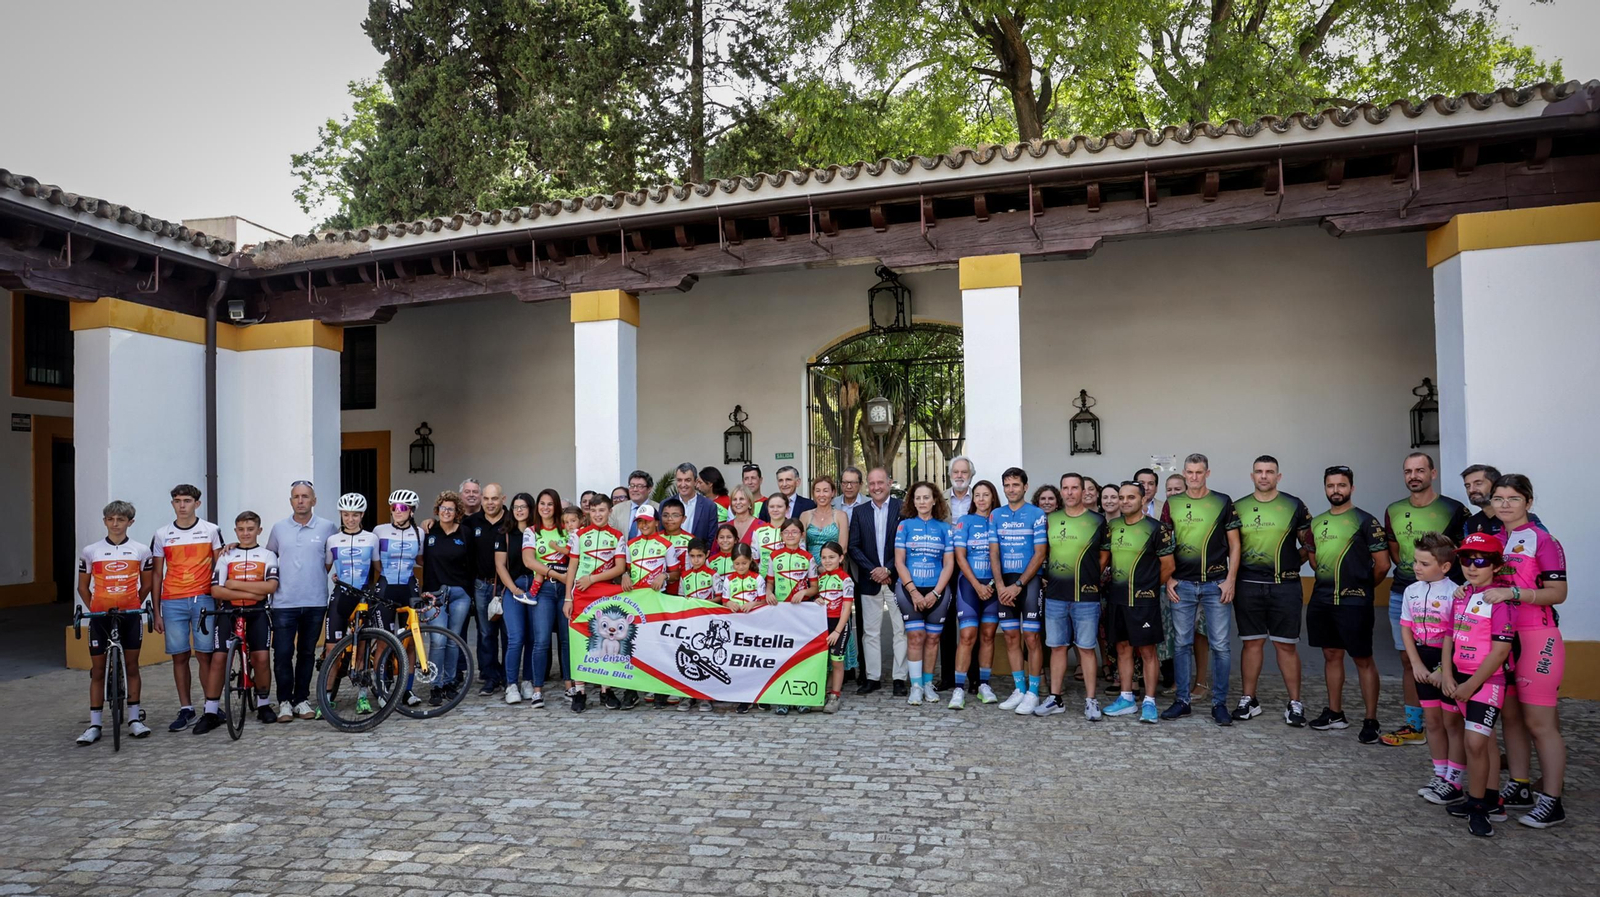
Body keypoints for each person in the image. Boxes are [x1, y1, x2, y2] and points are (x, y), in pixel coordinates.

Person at [1483, 474, 1568, 828]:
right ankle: (1518, 785)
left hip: (1537, 637)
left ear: (1528, 502)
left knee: (1540, 723)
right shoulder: (1495, 539)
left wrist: (1514, 595)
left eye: (1513, 498)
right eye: (1499, 498)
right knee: (1512, 717)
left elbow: (1558, 593)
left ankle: (1553, 800)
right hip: (1502, 637)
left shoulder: (1543, 540)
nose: (1504, 504)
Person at [1381, 452, 1469, 747]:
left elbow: (1462, 552)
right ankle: (1415, 724)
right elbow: (1394, 551)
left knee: (1450, 658)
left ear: (1433, 473)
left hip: (1448, 596)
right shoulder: (1392, 509)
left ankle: (1449, 723)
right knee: (1408, 659)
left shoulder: (1454, 509)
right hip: (1403, 593)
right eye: (1408, 471)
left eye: (1420, 470)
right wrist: (1414, 575)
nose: (1413, 476)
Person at [1305, 466, 1391, 744]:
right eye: (1330, 486)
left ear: (1351, 488)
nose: (1336, 491)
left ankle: (1371, 719)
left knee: (1363, 659)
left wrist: (1362, 589)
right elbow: (1315, 561)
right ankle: (1335, 713)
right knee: (1331, 654)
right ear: (1325, 488)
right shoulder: (1316, 523)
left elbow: (1382, 566)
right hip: (1322, 600)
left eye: (1341, 485)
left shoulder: (1366, 521)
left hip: (1355, 602)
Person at [1439, 532, 1517, 838]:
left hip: (1486, 682)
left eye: (1481, 560)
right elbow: (1448, 636)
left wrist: (1471, 684)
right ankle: (1491, 800)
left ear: (1496, 565)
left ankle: (1478, 806)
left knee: (1475, 743)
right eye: (1466, 559)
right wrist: (1446, 674)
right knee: (1483, 743)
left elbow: (1501, 650)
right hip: (1458, 679)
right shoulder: (1463, 595)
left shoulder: (1500, 599)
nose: (1472, 566)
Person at [1230, 456, 1314, 725]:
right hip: (1248, 585)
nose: (1264, 476)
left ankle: (1295, 703)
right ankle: (1249, 699)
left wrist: (1294, 561)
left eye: (1269, 472)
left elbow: (1310, 541)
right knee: (1251, 644)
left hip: (1285, 586)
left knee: (1285, 646)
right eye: (1259, 471)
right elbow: (1231, 545)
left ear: (1279, 476)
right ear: (1252, 475)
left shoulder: (1294, 505)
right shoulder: (1237, 507)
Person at [1160, 453, 1241, 726]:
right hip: (1181, 584)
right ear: (1184, 473)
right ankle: (1182, 701)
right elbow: (1165, 544)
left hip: (1215, 583)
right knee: (1181, 644)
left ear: (1207, 473)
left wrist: (1230, 579)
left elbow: (1235, 544)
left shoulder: (1222, 501)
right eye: (1190, 472)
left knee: (1220, 645)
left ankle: (1219, 704)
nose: (1194, 477)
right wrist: (1168, 578)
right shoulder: (1173, 503)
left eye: (1199, 472)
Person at [74, 500, 156, 745]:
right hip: (100, 618)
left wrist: (134, 604)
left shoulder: (141, 550)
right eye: (111, 519)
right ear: (105, 521)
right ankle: (95, 724)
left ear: (130, 522)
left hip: (129, 616)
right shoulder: (91, 550)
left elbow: (148, 583)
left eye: (121, 520)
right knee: (98, 671)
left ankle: (133, 719)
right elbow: (82, 586)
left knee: (132, 666)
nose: (115, 523)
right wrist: (95, 609)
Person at [149, 484, 224, 733]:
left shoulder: (211, 530)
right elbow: (157, 574)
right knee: (179, 656)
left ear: (197, 504)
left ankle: (210, 708)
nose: (182, 505)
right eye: (177, 501)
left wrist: (221, 602)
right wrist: (156, 612)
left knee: (205, 655)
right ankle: (186, 709)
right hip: (172, 601)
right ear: (172, 504)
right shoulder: (162, 534)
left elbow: (220, 566)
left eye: (187, 501)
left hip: (203, 599)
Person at [1036, 473, 1109, 720]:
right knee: (1057, 647)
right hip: (1056, 594)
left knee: (1086, 648)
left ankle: (1091, 701)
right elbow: (1042, 552)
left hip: (1086, 596)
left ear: (1083, 491)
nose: (1069, 492)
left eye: (1074, 488)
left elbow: (1104, 556)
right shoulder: (1050, 520)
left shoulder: (1097, 521)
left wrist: (1088, 576)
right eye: (1065, 488)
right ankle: (1055, 699)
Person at [1101, 483, 1175, 725]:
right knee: (1122, 648)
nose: (1124, 501)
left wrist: (1149, 589)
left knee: (1147, 651)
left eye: (1130, 497)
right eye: (1121, 497)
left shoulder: (1157, 529)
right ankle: (1126, 698)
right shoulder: (1112, 527)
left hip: (1144, 602)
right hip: (1118, 599)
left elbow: (1168, 566)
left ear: (1143, 500)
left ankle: (1150, 702)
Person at [265, 481, 338, 722]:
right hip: (284, 602)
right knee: (283, 653)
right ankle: (284, 701)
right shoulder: (278, 528)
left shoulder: (328, 527)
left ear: (314, 500)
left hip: (315, 601)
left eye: (305, 496)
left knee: (307, 653)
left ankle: (301, 699)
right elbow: (269, 556)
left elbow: (327, 563)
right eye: (296, 496)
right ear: (291, 501)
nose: (300, 500)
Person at [1401, 533, 1465, 806]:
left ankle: (1455, 780)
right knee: (1434, 722)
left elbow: (1460, 635)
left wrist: (1443, 669)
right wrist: (1415, 662)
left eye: (1424, 564)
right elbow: (1406, 628)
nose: (1417, 568)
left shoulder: (1456, 593)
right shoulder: (1410, 590)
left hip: (1448, 663)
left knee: (1452, 723)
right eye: (1415, 561)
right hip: (1422, 661)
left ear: (1445, 567)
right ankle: (1440, 774)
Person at [211, 511, 281, 726]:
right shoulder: (226, 555)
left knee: (260, 659)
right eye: (241, 529)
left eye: (250, 529)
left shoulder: (268, 555)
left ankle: (263, 704)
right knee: (219, 659)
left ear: (259, 530)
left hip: (257, 612)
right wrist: (253, 593)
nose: (246, 533)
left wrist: (234, 584)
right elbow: (216, 591)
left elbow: (270, 587)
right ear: (235, 531)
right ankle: (210, 711)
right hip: (230, 612)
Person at [989, 467, 1047, 714]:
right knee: (1012, 636)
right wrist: (1001, 585)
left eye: (1015, 485)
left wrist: (1018, 585)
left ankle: (1034, 692)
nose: (1011, 489)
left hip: (1028, 583)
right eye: (1007, 485)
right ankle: (1019, 689)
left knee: (1032, 638)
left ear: (1025, 487)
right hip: (1004, 584)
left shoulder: (1037, 514)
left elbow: (1040, 553)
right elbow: (994, 552)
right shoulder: (995, 515)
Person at [564, 494, 627, 712]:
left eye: (602, 510)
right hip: (580, 594)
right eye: (594, 510)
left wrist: (592, 578)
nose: (598, 514)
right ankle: (579, 691)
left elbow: (620, 568)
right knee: (580, 640)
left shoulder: (618, 536)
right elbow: (572, 567)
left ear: (610, 511)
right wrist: (567, 597)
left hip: (604, 592)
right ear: (588, 512)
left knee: (605, 640)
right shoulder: (578, 535)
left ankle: (605, 690)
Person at [894, 482, 955, 707]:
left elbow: (949, 564)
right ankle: (916, 686)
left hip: (936, 590)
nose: (921, 502)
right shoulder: (905, 526)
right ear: (912, 501)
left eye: (926, 498)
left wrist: (936, 593)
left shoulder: (944, 528)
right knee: (915, 636)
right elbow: (899, 561)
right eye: (917, 498)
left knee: (932, 638)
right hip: (909, 589)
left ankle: (928, 684)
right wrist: (913, 591)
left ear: (935, 500)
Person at [849, 467, 907, 696]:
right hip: (869, 579)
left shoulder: (903, 508)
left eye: (880, 482)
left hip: (896, 578)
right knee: (870, 632)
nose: (876, 487)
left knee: (899, 630)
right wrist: (873, 570)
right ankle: (872, 677)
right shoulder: (859, 511)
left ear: (889, 483)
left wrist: (888, 568)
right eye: (872, 484)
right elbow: (853, 545)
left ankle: (899, 678)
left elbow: (907, 543)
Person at [323, 494, 381, 714]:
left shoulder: (371, 539)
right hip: (341, 596)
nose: (350, 519)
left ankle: (362, 696)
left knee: (363, 646)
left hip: (363, 596)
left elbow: (378, 568)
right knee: (331, 648)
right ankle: (327, 697)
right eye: (346, 515)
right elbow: (326, 569)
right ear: (341, 515)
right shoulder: (333, 540)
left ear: (362, 515)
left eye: (355, 515)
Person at [420, 491, 475, 707]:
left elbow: (472, 563)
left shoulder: (465, 533)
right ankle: (435, 684)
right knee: (438, 639)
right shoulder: (429, 531)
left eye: (450, 509)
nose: (446, 512)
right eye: (443, 508)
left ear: (457, 512)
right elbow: (421, 559)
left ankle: (450, 682)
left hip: (459, 593)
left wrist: (468, 591)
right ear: (437, 510)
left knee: (453, 639)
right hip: (435, 594)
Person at [520, 490, 574, 710]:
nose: (545, 508)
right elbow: (528, 561)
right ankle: (537, 690)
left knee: (566, 640)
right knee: (541, 640)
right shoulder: (532, 531)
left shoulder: (566, 529)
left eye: (550, 504)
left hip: (566, 590)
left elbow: (576, 556)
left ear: (557, 506)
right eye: (542, 504)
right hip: (543, 590)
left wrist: (564, 579)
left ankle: (570, 686)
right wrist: (555, 573)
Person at [950, 479, 1000, 709]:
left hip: (993, 586)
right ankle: (959, 689)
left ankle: (984, 684)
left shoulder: (999, 520)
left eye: (985, 495)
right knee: (968, 636)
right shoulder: (965, 521)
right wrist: (977, 585)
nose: (981, 499)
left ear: (993, 497)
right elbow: (960, 557)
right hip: (969, 585)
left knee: (988, 636)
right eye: (977, 495)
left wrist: (991, 583)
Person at [376, 489, 426, 708]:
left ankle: (407, 689)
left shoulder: (420, 533)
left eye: (403, 508)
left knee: (411, 640)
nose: (398, 511)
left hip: (408, 587)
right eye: (394, 507)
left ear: (411, 511)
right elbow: (374, 560)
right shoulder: (379, 531)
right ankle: (382, 688)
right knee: (382, 640)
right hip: (386, 585)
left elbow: (422, 559)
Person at [465, 483, 509, 697]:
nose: (490, 503)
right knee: (486, 634)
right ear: (482, 499)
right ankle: (490, 677)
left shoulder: (511, 521)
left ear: (503, 499)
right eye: (487, 499)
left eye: (495, 498)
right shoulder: (471, 522)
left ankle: (508, 677)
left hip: (507, 586)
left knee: (509, 633)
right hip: (482, 585)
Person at [494, 492, 537, 706]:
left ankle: (528, 681)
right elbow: (500, 565)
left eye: (523, 506)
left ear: (531, 509)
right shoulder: (505, 534)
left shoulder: (538, 533)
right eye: (516, 506)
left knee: (532, 637)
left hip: (537, 587)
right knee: (516, 637)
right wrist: (513, 588)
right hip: (514, 588)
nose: (519, 510)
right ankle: (511, 683)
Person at [815, 541, 855, 714]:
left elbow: (847, 608)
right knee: (824, 662)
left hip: (839, 624)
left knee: (836, 661)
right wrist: (816, 600)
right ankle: (822, 693)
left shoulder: (846, 579)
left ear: (841, 558)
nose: (827, 561)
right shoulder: (821, 578)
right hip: (824, 625)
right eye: (824, 558)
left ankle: (835, 696)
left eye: (831, 557)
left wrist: (838, 631)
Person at [1459, 464, 1541, 536]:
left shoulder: (1522, 518)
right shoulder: (1471, 523)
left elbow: (1542, 545)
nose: (1471, 490)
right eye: (1467, 486)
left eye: (1478, 483)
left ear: (1496, 485)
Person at [801, 476, 851, 566]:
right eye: (818, 491)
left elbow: (843, 548)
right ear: (813, 493)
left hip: (833, 568)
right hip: (808, 568)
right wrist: (813, 568)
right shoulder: (805, 516)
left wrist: (827, 567)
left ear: (833, 493)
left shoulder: (841, 516)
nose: (821, 494)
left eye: (825, 490)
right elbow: (801, 546)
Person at [673, 463, 718, 545]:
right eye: (679, 480)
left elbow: (712, 538)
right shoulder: (666, 504)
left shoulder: (709, 506)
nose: (683, 485)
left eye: (687, 480)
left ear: (695, 481)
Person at [608, 470, 658, 540]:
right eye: (632, 486)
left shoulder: (658, 509)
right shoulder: (616, 510)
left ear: (649, 489)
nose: (635, 489)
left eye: (639, 486)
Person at [946, 456, 975, 521]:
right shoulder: (940, 498)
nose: (959, 476)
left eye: (964, 472)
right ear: (950, 475)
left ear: (971, 475)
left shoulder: (977, 498)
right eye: (955, 472)